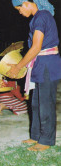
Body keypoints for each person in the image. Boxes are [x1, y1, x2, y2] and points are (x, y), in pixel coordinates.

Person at [8, 0, 61, 151]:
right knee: (36, 103)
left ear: (26, 3)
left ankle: (46, 140)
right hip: (40, 64)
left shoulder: (42, 16)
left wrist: (19, 66)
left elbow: (36, 47)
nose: (19, 12)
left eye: (19, 8)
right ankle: (36, 135)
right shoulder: (38, 17)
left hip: (47, 64)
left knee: (45, 103)